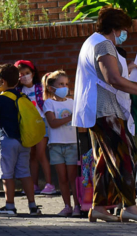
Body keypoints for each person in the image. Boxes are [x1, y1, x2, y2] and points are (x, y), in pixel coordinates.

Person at [71, 6, 137, 223]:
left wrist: (126, 68)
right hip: (105, 110)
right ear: (115, 28)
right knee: (123, 156)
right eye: (123, 29)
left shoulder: (93, 42)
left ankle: (100, 206)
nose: (125, 34)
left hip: (98, 110)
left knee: (105, 158)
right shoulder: (103, 45)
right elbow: (113, 79)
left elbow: (107, 74)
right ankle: (129, 206)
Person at [0, 64, 40, 216]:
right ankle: (33, 207)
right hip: (24, 140)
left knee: (7, 175)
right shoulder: (21, 96)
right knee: (25, 173)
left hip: (8, 140)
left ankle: (10, 207)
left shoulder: (1, 98)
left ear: (2, 82)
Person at [42, 70, 80, 217]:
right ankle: (67, 206)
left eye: (66, 84)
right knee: (62, 178)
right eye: (60, 84)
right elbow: (53, 123)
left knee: (72, 178)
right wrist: (72, 116)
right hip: (56, 145)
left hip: (72, 144)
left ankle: (77, 205)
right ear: (52, 88)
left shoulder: (73, 102)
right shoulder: (48, 103)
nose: (64, 87)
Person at [15, 59, 56, 195]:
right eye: (21, 74)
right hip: (27, 125)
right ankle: (34, 185)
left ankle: (50, 184)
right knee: (31, 155)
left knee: (40, 154)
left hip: (41, 122)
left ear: (33, 73)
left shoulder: (40, 87)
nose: (24, 76)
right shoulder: (18, 91)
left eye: (27, 73)